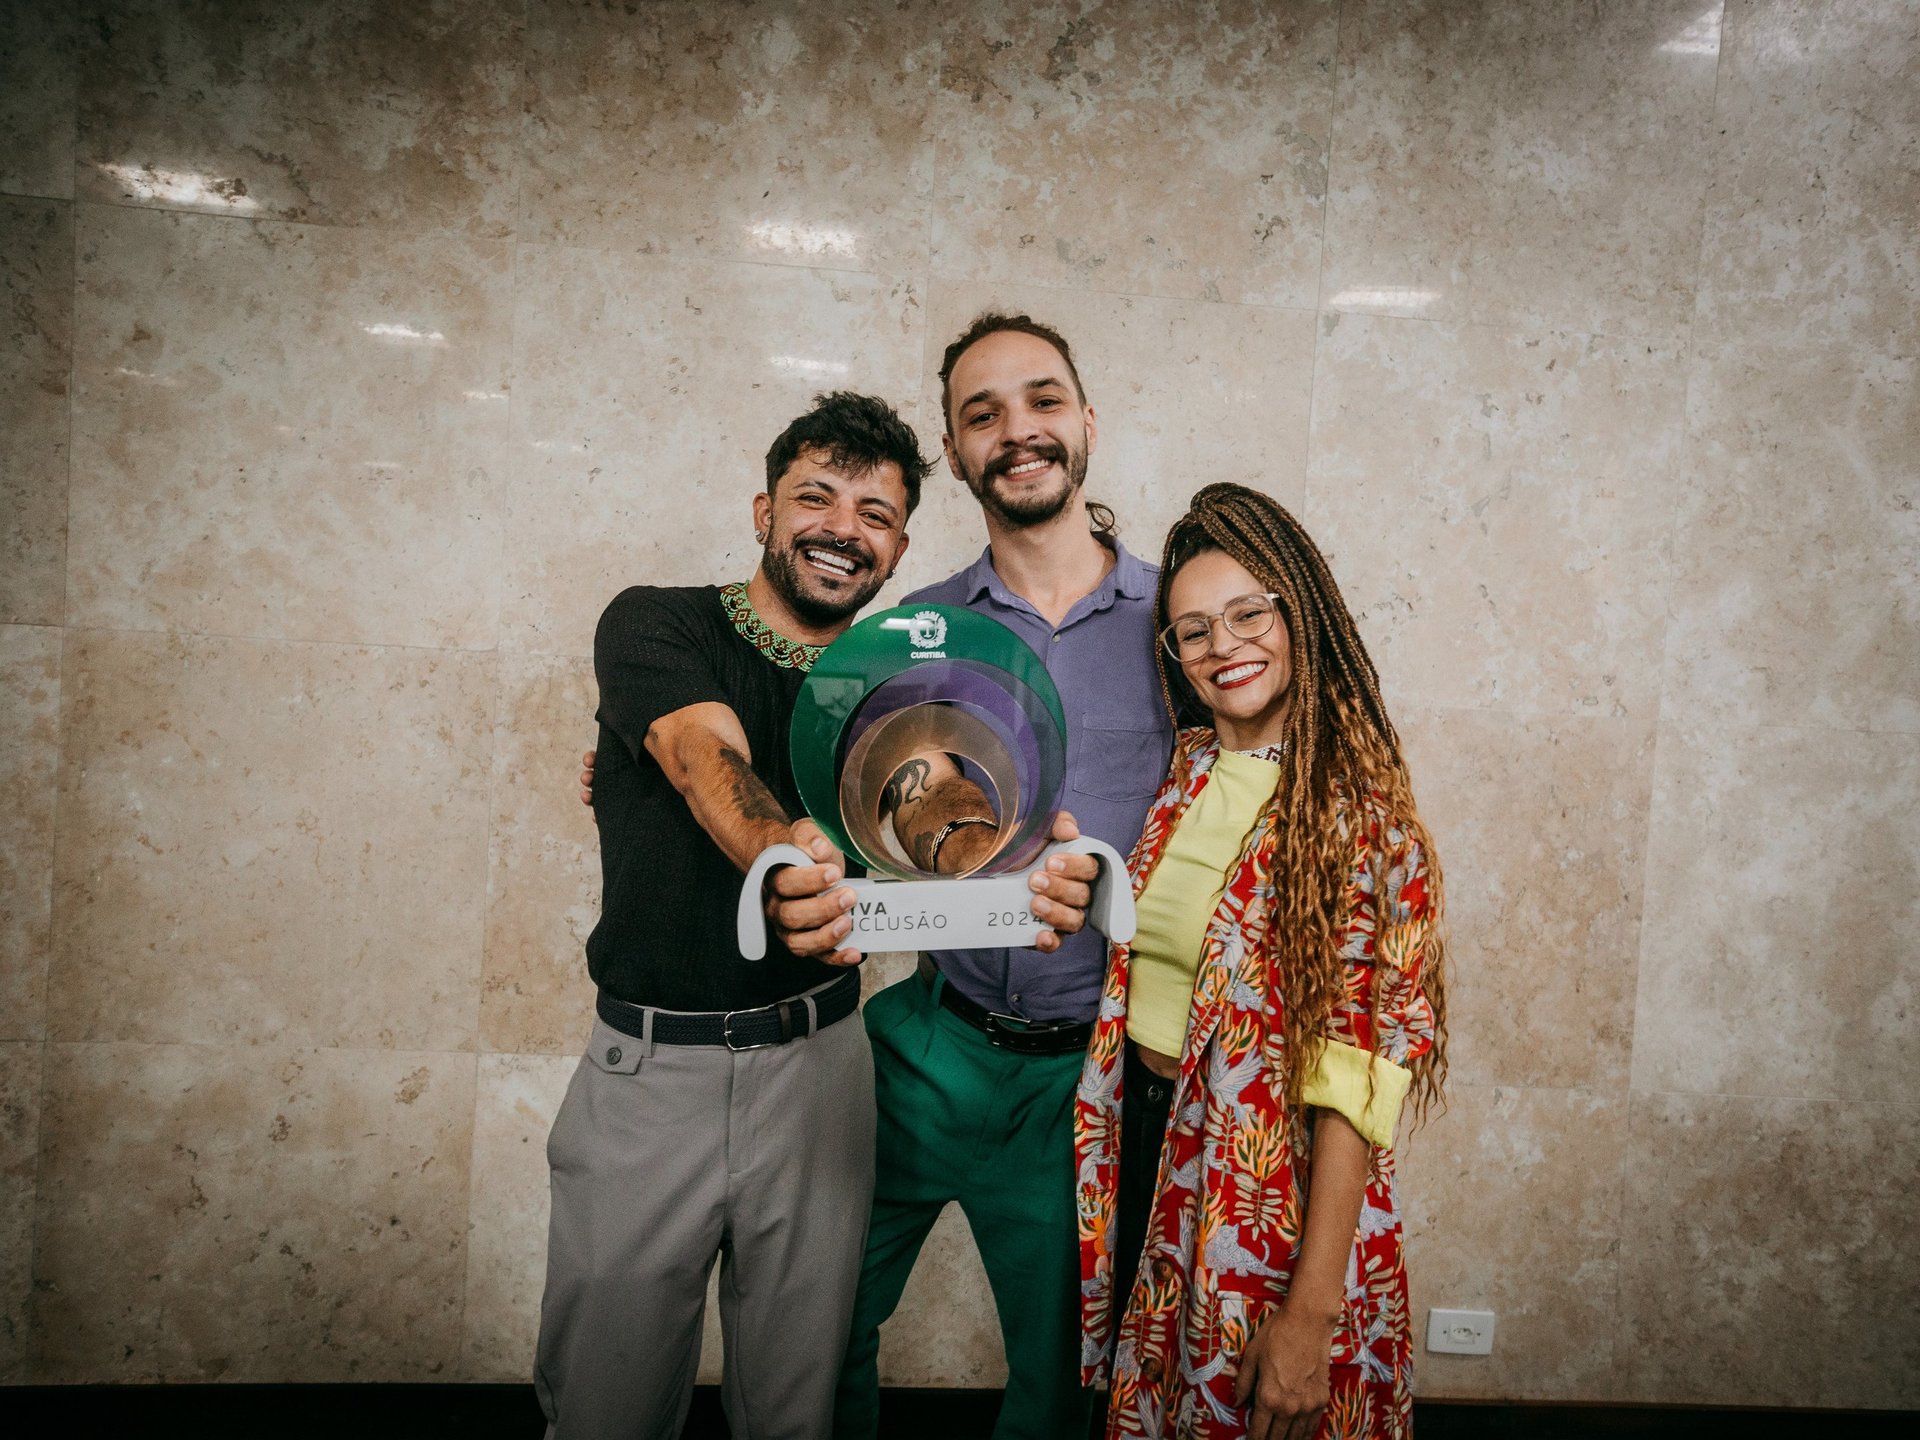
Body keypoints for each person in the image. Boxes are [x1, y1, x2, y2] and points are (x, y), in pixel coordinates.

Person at [535, 392, 934, 1440]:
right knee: (605, 1409)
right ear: (764, 511)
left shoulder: (897, 688)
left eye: (876, 514)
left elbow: (943, 829)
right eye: (817, 497)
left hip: (822, 1073)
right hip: (650, 1076)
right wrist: (779, 855)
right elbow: (700, 752)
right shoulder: (657, 621)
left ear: (897, 549)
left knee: (797, 1409)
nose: (843, 528)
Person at [831, 315, 1175, 1440]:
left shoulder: (1185, 626)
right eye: (983, 414)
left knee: (1061, 1387)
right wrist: (639, 749)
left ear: (1085, 421)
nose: (1017, 430)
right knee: (810, 1322)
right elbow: (822, 790)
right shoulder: (913, 634)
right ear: (955, 449)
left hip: (1083, 1084)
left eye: (1041, 401)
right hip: (930, 1037)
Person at [1076, 483, 1450, 1440]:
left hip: (1269, 1195)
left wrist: (1311, 1312)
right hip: (1157, 1154)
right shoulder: (1189, 771)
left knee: (1256, 1409)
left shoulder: (1355, 809)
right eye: (1193, 630)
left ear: (1302, 611)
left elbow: (1360, 1073)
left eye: (1250, 614)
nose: (1223, 646)